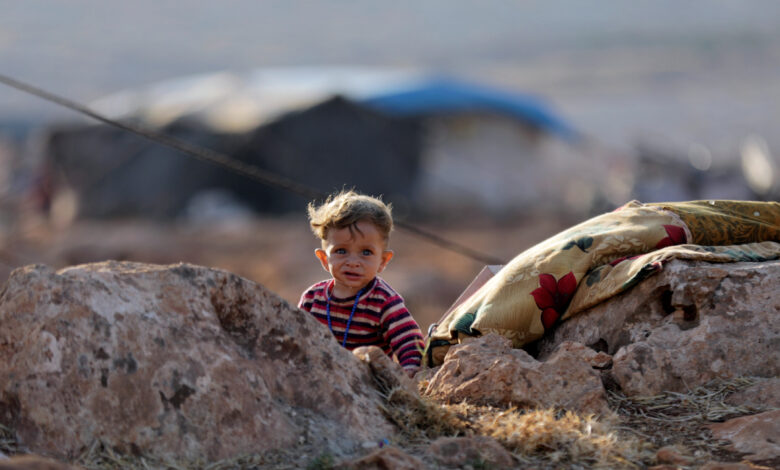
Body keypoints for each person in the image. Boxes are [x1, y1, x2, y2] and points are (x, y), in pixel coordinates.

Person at [298, 190, 424, 377]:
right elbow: (297, 338)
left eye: (366, 252)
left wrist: (410, 372)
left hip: (369, 389)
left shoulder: (384, 301)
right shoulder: (312, 299)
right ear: (324, 259)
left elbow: (409, 343)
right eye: (341, 251)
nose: (353, 262)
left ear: (383, 260)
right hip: (320, 380)